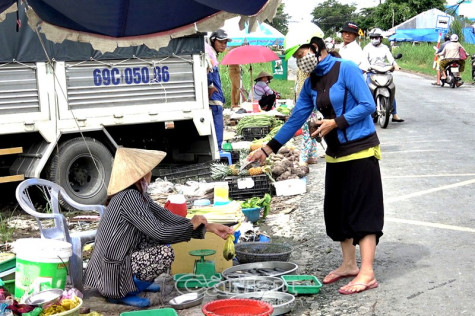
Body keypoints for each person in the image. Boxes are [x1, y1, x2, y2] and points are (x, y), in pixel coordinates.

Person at [250, 35, 384, 295]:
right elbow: (297, 117)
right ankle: (349, 264)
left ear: (314, 47)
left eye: (300, 55)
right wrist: (269, 148)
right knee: (338, 212)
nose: (299, 61)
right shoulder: (311, 82)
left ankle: (367, 272)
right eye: (295, 59)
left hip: (360, 150)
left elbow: (368, 105)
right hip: (335, 153)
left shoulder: (345, 69)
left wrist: (336, 122)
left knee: (363, 212)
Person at [84, 148, 233, 307]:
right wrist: (191, 225)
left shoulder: (139, 195)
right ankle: (120, 292)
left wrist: (206, 227)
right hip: (110, 273)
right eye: (148, 172)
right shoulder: (129, 197)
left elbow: (165, 216)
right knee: (164, 253)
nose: (151, 175)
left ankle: (133, 284)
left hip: (116, 260)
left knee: (158, 240)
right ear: (139, 176)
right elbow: (160, 232)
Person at [361, 28, 404, 122]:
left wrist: (395, 65)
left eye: (376, 37)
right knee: (367, 92)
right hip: (371, 72)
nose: (374, 39)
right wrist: (367, 67)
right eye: (372, 37)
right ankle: (368, 114)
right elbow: (364, 59)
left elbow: (390, 58)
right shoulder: (367, 48)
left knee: (390, 89)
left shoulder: (384, 47)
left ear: (380, 38)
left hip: (384, 72)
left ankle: (394, 114)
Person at [206, 29, 231, 150]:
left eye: (225, 42)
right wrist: (210, 86)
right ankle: (218, 152)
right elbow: (207, 73)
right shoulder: (209, 54)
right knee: (217, 128)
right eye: (220, 42)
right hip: (214, 100)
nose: (223, 45)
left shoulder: (212, 55)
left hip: (217, 99)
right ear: (212, 40)